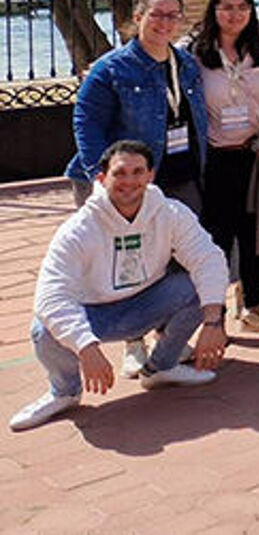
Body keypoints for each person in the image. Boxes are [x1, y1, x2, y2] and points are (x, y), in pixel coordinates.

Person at [11, 141, 229, 432]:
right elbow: (51, 294)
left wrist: (214, 321)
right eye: (120, 173)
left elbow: (208, 258)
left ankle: (160, 368)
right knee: (43, 328)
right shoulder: (78, 229)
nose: (129, 181)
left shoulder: (170, 213)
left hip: (149, 303)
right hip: (94, 315)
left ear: (151, 175)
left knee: (195, 287)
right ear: (102, 179)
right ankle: (64, 391)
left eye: (138, 172)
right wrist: (85, 346)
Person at [189, 0, 259, 335]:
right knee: (216, 236)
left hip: (258, 156)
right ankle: (211, 315)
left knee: (255, 233)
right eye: (226, 7)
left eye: (242, 8)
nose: (235, 15)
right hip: (215, 159)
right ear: (213, 12)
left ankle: (254, 305)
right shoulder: (195, 55)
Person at [65, 0, 207, 213]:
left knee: (181, 245)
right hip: (126, 181)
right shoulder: (110, 69)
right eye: (156, 14)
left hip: (180, 176)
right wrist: (102, 177)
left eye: (173, 16)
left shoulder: (187, 64)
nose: (164, 22)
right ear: (138, 17)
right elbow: (87, 124)